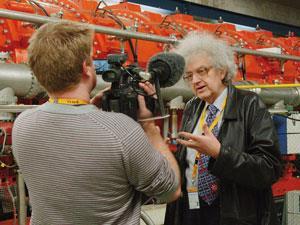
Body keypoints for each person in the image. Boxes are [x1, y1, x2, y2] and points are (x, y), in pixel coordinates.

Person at [12, 21, 181, 225]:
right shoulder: (122, 132)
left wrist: (87, 108)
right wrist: (150, 128)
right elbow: (171, 191)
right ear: (86, 68)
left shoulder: (22, 124)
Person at [164, 32, 282, 225]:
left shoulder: (249, 105)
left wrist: (220, 153)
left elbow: (269, 168)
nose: (194, 81)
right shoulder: (193, 107)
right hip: (192, 210)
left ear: (222, 71)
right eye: (189, 76)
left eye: (202, 71)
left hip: (232, 214)